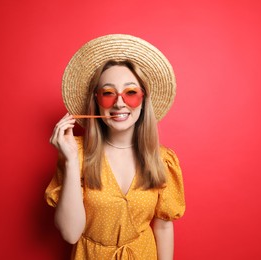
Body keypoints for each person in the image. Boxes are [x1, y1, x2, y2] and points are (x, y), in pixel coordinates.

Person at [45, 34, 185, 259]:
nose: (119, 102)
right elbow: (70, 234)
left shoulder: (162, 160)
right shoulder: (76, 155)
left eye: (130, 92)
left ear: (144, 99)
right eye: (108, 93)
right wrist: (71, 161)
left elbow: (164, 227)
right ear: (97, 101)